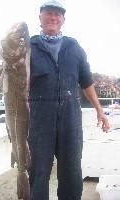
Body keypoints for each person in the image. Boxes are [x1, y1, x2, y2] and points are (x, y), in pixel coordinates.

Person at [28, 1, 110, 200]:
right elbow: (17, 82)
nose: (53, 18)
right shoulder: (29, 46)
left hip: (70, 118)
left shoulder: (74, 46)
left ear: (63, 20)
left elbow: (87, 81)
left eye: (57, 14)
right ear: (40, 17)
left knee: (72, 170)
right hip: (39, 120)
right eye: (48, 13)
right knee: (38, 172)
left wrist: (100, 110)